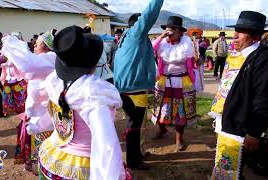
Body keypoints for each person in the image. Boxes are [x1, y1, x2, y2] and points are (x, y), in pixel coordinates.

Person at [29, 25, 127, 179]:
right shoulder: (94, 94)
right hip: (82, 164)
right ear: (94, 63)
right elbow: (106, 144)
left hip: (54, 154)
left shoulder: (54, 81)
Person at [211, 11, 268, 179]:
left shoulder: (265, 59)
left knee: (232, 168)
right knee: (230, 167)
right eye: (236, 30)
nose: (235, 36)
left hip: (242, 126)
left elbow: (263, 97)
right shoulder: (239, 55)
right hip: (231, 120)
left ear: (255, 36)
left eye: (241, 31)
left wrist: (254, 132)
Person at [113, 0, 164, 170]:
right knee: (135, 127)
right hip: (134, 91)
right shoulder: (136, 34)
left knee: (135, 125)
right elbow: (149, 14)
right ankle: (134, 161)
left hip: (128, 89)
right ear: (138, 26)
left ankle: (137, 155)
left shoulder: (125, 39)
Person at [1, 30, 56, 174]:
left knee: (47, 154)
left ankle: (45, 170)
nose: (34, 47)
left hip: (45, 118)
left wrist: (11, 43)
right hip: (42, 115)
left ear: (47, 46)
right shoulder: (48, 60)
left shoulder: (49, 59)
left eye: (37, 44)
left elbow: (28, 66)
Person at [151, 16, 196, 152]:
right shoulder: (162, 42)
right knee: (161, 107)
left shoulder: (187, 43)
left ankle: (179, 138)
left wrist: (197, 64)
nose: (169, 34)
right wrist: (162, 36)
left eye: (172, 31)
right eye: (167, 30)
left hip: (181, 81)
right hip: (164, 80)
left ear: (180, 32)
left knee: (180, 111)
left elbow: (191, 61)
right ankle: (162, 129)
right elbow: (150, 50)